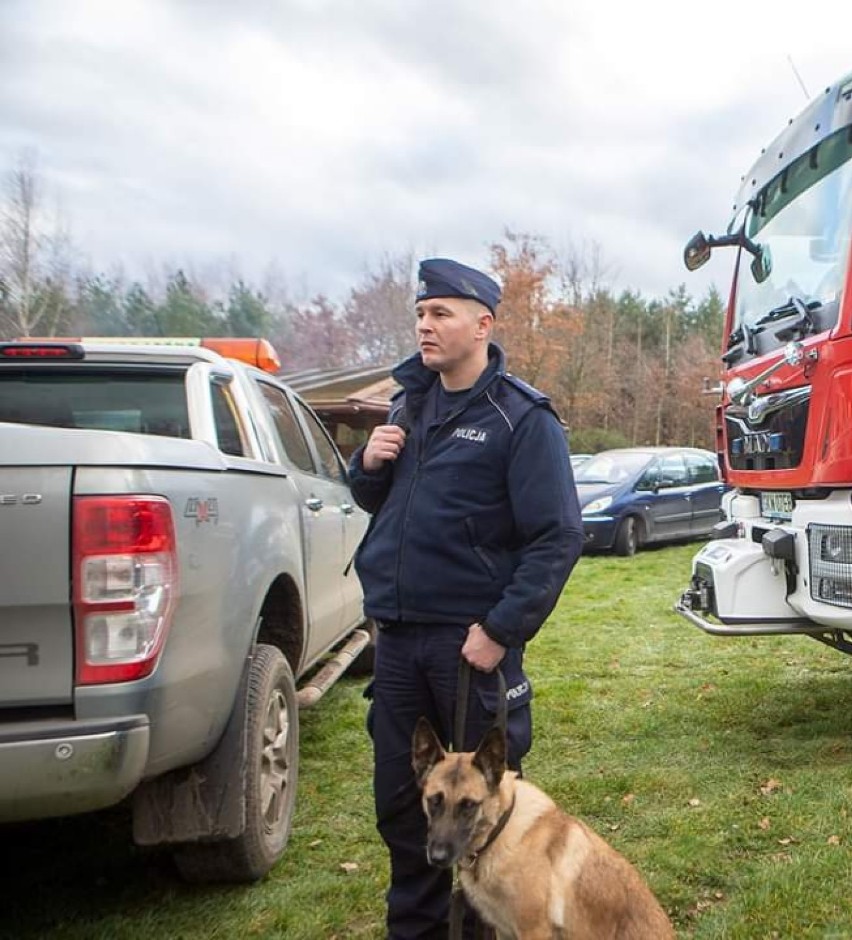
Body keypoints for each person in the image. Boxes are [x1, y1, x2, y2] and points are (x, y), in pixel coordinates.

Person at [348, 257, 584, 940]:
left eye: (441, 313)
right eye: (421, 314)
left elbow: (558, 536)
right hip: (396, 640)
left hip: (469, 645)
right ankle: (417, 931)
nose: (425, 325)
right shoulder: (409, 405)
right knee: (403, 801)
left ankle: (485, 926)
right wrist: (366, 466)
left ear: (482, 324)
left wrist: (501, 629)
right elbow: (381, 504)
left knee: (482, 807)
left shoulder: (521, 418)